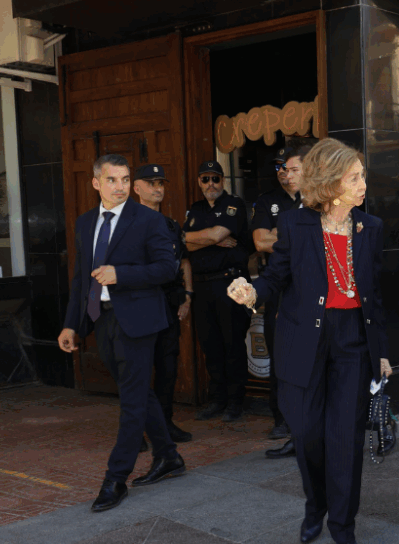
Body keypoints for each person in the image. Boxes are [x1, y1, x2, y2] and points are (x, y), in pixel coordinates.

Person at [227, 138, 391, 544]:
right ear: (330, 180)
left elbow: (376, 297)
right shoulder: (298, 225)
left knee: (345, 439)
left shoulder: (369, 227)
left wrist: (383, 352)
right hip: (304, 342)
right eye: (355, 177)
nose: (363, 184)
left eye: (362, 175)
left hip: (353, 341)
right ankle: (314, 504)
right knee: (307, 435)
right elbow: (276, 277)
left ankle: (343, 526)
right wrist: (251, 293)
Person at [57, 154, 184, 512]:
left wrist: (121, 274)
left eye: (125, 179)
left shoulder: (148, 219)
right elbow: (81, 278)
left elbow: (166, 268)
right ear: (96, 183)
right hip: (103, 319)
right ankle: (169, 456)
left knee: (130, 401)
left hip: (139, 322)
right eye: (112, 180)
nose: (120, 187)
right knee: (139, 394)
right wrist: (72, 324)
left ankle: (116, 478)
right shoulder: (85, 223)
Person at [185, 161, 253, 423]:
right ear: (199, 182)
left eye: (215, 178)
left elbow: (217, 234)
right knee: (210, 344)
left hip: (232, 284)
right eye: (205, 179)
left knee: (233, 343)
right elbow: (183, 243)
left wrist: (196, 239)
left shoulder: (233, 204)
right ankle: (218, 399)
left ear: (222, 180)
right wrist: (199, 239)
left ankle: (236, 402)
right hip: (202, 285)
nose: (210, 184)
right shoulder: (196, 208)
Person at [132, 164, 193, 444]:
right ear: (137, 188)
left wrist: (187, 294)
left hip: (169, 302)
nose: (158, 188)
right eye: (151, 183)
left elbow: (182, 260)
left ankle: (164, 423)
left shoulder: (170, 225)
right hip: (141, 302)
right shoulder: (127, 224)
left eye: (161, 183)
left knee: (167, 366)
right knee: (140, 368)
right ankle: (136, 430)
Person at [252, 148, 306, 449]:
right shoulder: (267, 201)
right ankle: (281, 418)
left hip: (309, 290)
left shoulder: (314, 200)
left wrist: (281, 237)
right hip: (278, 288)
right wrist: (295, 240)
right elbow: (260, 241)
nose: (285, 173)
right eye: (280, 168)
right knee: (280, 354)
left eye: (292, 168)